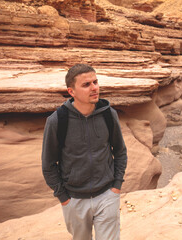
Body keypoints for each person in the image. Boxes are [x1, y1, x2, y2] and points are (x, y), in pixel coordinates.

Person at [42, 64, 127, 240]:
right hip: (75, 200)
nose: (94, 87)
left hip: (107, 195)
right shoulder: (57, 121)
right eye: (86, 84)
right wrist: (64, 198)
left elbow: (120, 151)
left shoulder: (108, 114)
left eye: (95, 82)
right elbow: (48, 165)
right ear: (71, 91)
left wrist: (116, 186)